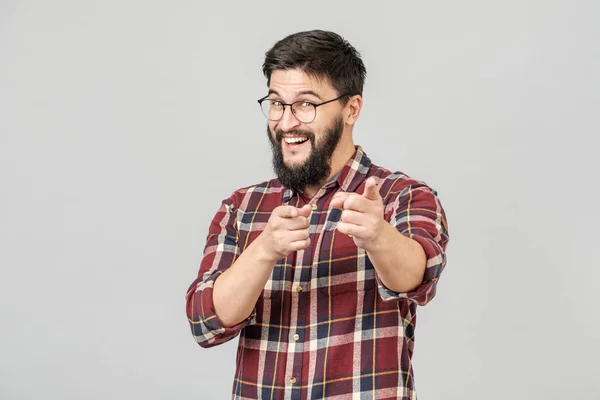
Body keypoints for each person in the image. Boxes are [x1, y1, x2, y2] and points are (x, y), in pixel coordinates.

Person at [185, 29, 449, 400]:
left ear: (351, 109)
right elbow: (205, 322)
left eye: (306, 104)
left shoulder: (401, 196)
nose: (287, 122)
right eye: (277, 103)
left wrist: (377, 236)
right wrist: (263, 250)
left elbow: (416, 278)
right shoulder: (242, 207)